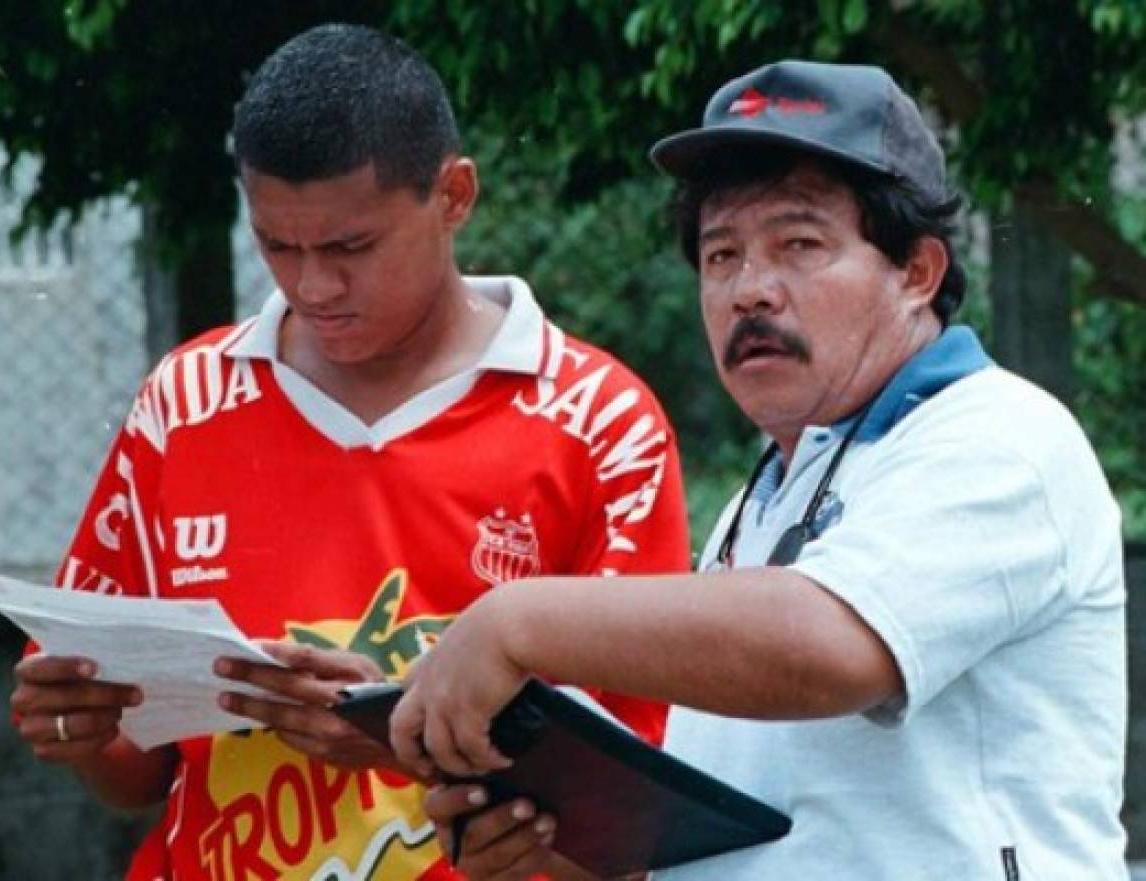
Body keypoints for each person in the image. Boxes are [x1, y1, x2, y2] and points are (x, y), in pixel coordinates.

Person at [388, 60, 1129, 880]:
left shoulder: (997, 435)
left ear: (917, 273)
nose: (749, 291)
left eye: (799, 244)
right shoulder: (762, 499)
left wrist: (514, 622)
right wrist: (549, 852)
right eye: (721, 255)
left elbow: (828, 649)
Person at [7, 23, 690, 881]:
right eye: (278, 246)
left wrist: (398, 739)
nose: (312, 287)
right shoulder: (184, 403)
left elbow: (630, 821)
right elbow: (142, 776)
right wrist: (83, 734)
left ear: (454, 195)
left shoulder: (601, 426)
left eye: (350, 248)